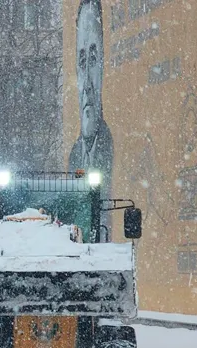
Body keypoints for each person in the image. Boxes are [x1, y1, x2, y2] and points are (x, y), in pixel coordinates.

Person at [69, 0, 114, 233]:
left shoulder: (111, 148)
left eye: (94, 60)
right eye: (82, 61)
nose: (87, 84)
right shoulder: (74, 155)